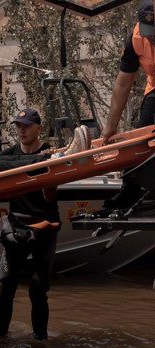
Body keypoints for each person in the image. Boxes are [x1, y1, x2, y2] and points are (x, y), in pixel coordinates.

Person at [0, 108, 63, 341]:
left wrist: (48, 174)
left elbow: (50, 197)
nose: (22, 130)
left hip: (45, 227)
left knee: (38, 289)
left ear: (39, 128)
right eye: (18, 126)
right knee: (5, 286)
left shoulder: (50, 155)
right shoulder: (8, 155)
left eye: (27, 126)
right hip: (16, 228)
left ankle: (40, 341)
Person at [101, 0, 155, 208]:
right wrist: (110, 126)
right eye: (148, 31)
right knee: (142, 131)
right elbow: (123, 84)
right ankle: (131, 190)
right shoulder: (135, 39)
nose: (151, 37)